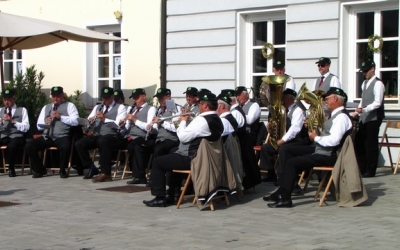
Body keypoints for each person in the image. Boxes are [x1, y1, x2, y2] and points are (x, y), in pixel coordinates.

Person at [265, 87, 353, 208]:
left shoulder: (341, 118)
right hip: (323, 150)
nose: (325, 101)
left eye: (327, 99)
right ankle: (283, 189)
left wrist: (315, 137)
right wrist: (313, 127)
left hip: (330, 154)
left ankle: (285, 198)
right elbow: (327, 135)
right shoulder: (336, 116)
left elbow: (334, 141)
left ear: (335, 98)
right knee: (287, 149)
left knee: (292, 163)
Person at [143, 92, 223, 207]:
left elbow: (183, 137)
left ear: (205, 106)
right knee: (172, 154)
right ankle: (173, 194)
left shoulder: (201, 120)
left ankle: (159, 197)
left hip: (192, 158)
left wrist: (183, 121)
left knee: (158, 162)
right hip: (206, 158)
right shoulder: (216, 119)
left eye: (199, 104)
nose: (198, 106)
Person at [25, 86, 79, 178]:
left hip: (62, 135)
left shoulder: (70, 106)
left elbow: (76, 121)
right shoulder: (46, 107)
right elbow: (38, 125)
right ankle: (40, 170)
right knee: (29, 146)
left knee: (65, 146)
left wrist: (60, 117)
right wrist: (45, 121)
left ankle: (62, 170)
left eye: (58, 96)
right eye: (53, 96)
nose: (55, 98)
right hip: (48, 136)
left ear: (62, 95)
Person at [75, 87, 127, 182]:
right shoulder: (97, 107)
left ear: (112, 97)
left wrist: (104, 119)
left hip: (112, 135)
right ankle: (91, 167)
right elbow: (89, 121)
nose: (104, 100)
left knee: (103, 141)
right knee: (79, 144)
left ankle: (106, 173)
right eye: (103, 98)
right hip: (98, 134)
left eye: (107, 98)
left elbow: (118, 125)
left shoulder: (120, 108)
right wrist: (90, 122)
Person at [133, 88, 181, 185]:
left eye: (162, 98)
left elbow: (176, 128)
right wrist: (151, 126)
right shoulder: (159, 110)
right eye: (158, 99)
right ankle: (140, 176)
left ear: (168, 97)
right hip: (158, 138)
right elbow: (156, 126)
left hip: (171, 138)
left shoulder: (176, 109)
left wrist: (162, 122)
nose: (160, 101)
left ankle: (155, 179)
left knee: (159, 149)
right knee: (139, 146)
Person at [259, 88, 309, 182]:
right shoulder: (283, 110)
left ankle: (283, 177)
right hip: (287, 140)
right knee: (266, 148)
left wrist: (283, 140)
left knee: (284, 149)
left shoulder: (298, 110)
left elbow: (295, 128)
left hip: (298, 140)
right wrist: (271, 127)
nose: (281, 100)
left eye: (284, 97)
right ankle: (271, 174)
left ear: (291, 99)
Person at [353, 60, 385, 178]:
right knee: (360, 142)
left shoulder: (378, 84)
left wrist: (364, 109)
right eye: (363, 71)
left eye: (366, 71)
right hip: (364, 116)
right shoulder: (365, 83)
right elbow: (363, 99)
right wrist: (357, 111)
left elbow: (377, 102)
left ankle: (371, 170)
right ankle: (362, 168)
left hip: (374, 117)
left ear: (373, 69)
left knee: (371, 144)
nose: (364, 73)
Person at [124, 88, 157, 185]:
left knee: (135, 146)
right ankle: (136, 173)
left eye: (137, 98)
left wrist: (135, 120)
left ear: (144, 96)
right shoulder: (132, 109)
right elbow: (127, 127)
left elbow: (149, 127)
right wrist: (123, 124)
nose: (135, 100)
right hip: (130, 136)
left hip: (143, 136)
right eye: (133, 98)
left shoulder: (151, 109)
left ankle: (139, 175)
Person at [235, 86, 262, 189]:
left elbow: (250, 120)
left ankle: (249, 179)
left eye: (239, 95)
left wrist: (236, 115)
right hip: (241, 134)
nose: (237, 98)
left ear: (245, 94)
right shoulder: (238, 107)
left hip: (250, 135)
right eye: (236, 95)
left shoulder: (254, 105)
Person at [0, 89, 30, 177]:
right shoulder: (1, 110)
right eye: (5, 100)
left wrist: (13, 121)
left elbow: (26, 127)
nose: (6, 102)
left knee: (12, 146)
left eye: (9, 99)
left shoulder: (22, 110)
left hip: (17, 136)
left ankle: (11, 168)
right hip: (4, 135)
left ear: (14, 99)